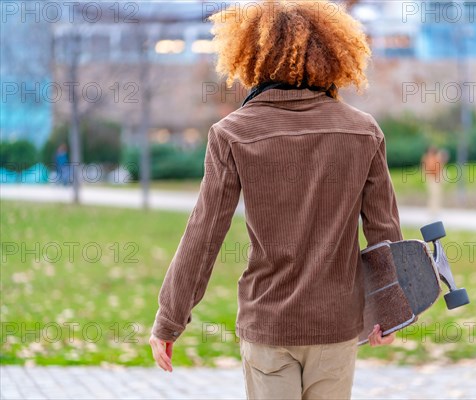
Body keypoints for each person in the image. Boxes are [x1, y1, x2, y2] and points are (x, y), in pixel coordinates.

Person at [148, 2, 403, 398]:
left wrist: (169, 320)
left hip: (269, 323)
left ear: (252, 57)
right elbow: (385, 231)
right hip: (335, 326)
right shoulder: (363, 131)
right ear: (334, 54)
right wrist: (391, 310)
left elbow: (204, 235)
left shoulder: (231, 133)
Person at [421, 146, 448, 216]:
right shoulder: (428, 158)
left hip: (435, 178)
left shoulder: (435, 158)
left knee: (437, 195)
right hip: (431, 178)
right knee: (433, 195)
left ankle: (436, 210)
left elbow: (440, 167)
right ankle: (432, 210)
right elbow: (427, 169)